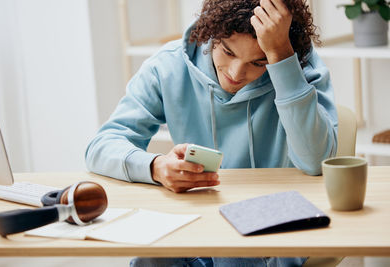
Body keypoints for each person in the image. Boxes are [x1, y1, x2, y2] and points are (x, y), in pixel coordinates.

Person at [86, 0, 337, 266]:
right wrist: (156, 167)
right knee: (150, 259)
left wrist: (281, 59)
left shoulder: (300, 67)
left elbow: (315, 161)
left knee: (233, 252)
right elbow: (102, 147)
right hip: (198, 221)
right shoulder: (168, 66)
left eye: (258, 62)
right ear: (211, 32)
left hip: (276, 225)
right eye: (228, 52)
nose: (235, 73)